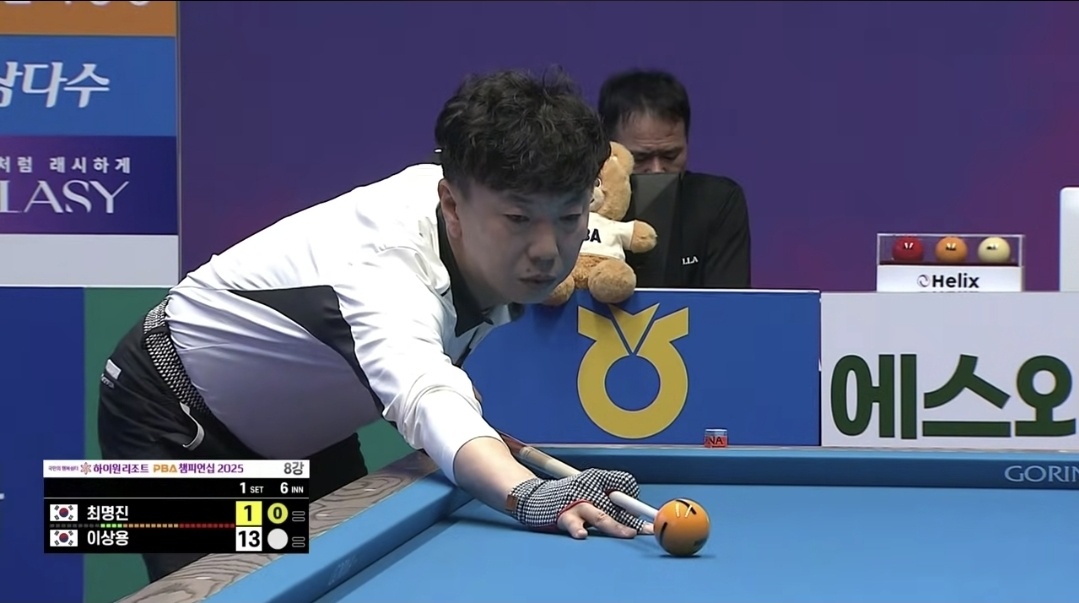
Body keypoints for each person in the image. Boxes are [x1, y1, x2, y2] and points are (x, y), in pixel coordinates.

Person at [97, 68, 652, 583]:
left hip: (307, 429)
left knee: (342, 583)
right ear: (451, 205)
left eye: (570, 216)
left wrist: (469, 430)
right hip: (173, 418)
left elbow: (435, 375)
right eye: (518, 218)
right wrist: (526, 492)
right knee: (224, 593)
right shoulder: (384, 267)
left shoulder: (478, 203)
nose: (548, 250)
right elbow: (425, 392)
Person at [598, 68, 752, 288]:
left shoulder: (719, 202)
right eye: (640, 158)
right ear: (608, 148)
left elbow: (727, 302)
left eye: (670, 155)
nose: (657, 169)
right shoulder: (582, 206)